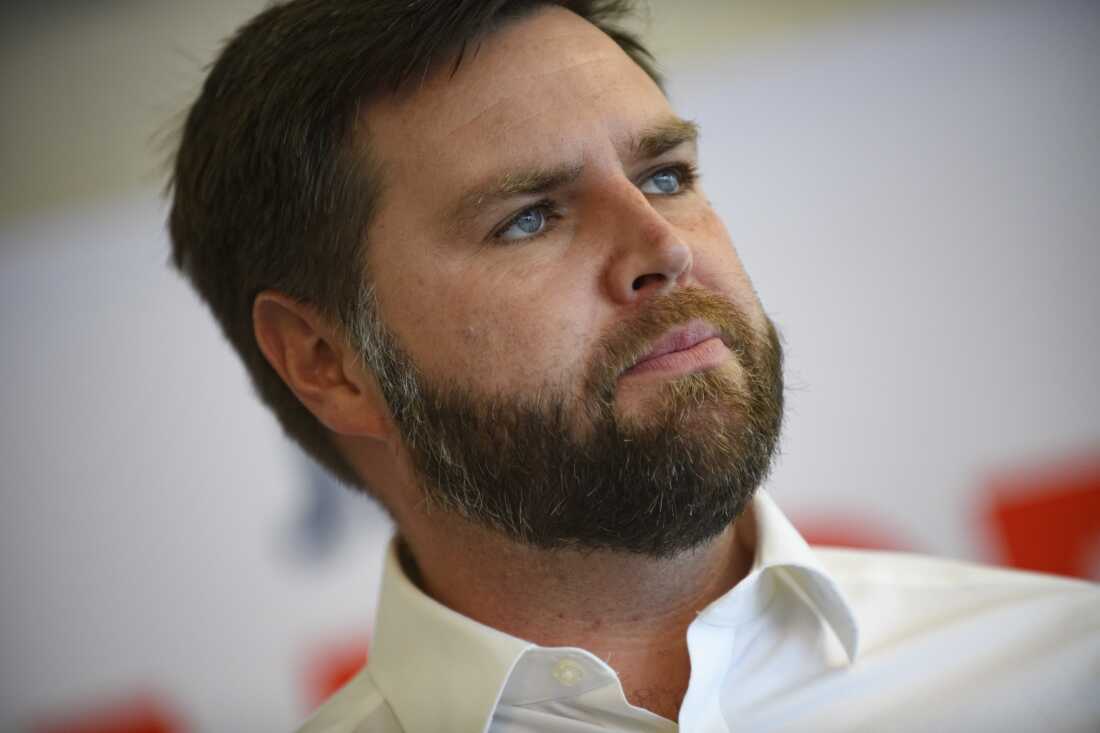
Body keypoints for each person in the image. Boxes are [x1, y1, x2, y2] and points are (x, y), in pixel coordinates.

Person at [167, 1, 1100, 731]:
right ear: (328, 363)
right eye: (530, 216)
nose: (665, 248)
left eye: (665, 175)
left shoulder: (1069, 669)